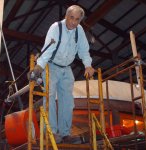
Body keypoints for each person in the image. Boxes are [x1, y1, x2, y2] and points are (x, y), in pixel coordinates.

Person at [30, 5, 95, 143]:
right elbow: (47, 49)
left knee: (68, 102)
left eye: (77, 19)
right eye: (71, 18)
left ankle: (65, 133)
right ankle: (51, 132)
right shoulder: (56, 28)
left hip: (66, 68)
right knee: (50, 97)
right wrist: (38, 67)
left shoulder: (79, 30)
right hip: (51, 67)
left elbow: (84, 50)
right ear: (66, 16)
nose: (73, 22)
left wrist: (88, 65)